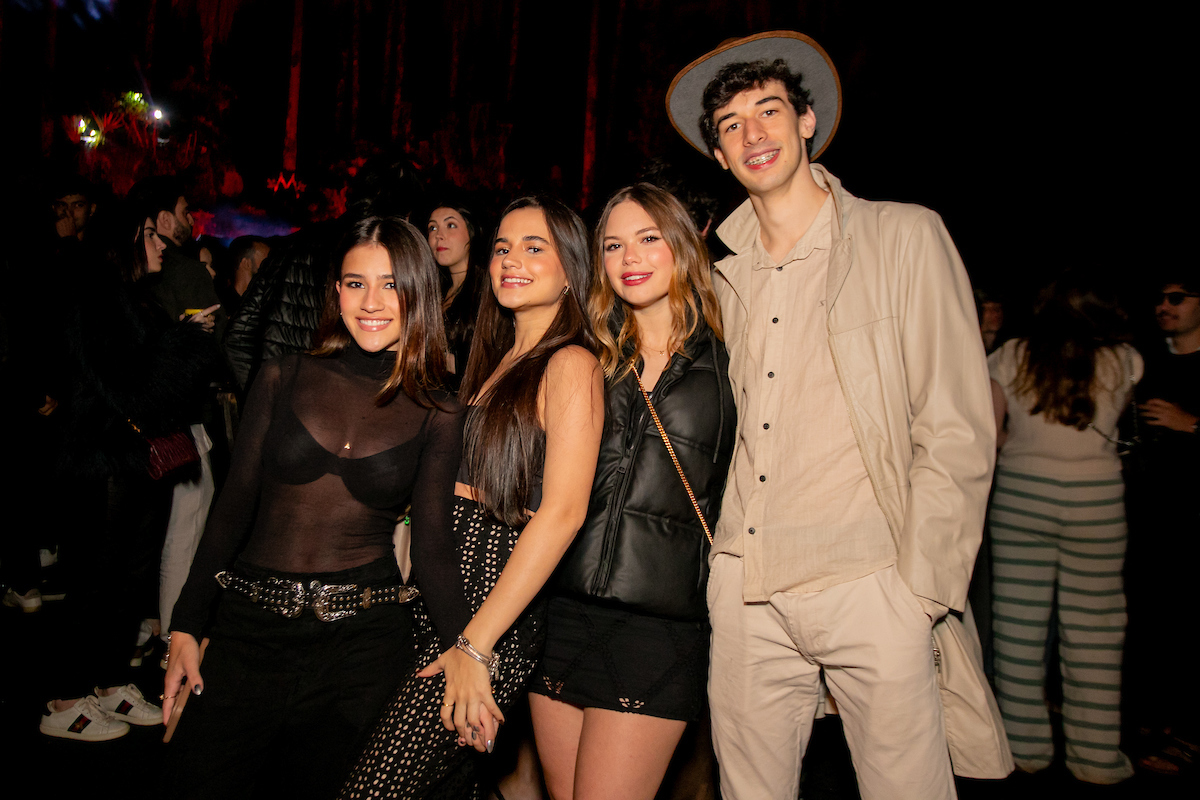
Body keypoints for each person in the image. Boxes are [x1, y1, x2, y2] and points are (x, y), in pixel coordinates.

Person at [665, 31, 1011, 799]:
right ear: (719, 157)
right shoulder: (716, 276)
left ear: (808, 121)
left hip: (872, 578)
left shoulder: (904, 236)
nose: (753, 134)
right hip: (746, 585)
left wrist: (921, 589)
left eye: (769, 111)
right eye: (731, 126)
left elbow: (956, 424)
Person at [162, 215, 465, 800]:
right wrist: (185, 622)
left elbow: (432, 549)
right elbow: (232, 508)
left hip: (361, 646)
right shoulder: (284, 375)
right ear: (336, 291)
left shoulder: (440, 412)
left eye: (391, 284)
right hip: (250, 630)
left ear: (419, 293)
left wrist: (466, 651)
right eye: (355, 283)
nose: (371, 302)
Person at [342, 196, 604, 799]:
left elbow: (562, 513)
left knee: (376, 788)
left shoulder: (572, 363)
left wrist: (474, 643)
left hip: (491, 614)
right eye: (503, 248)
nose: (512, 260)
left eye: (535, 248)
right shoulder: (498, 360)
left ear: (571, 268)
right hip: (444, 604)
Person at [528, 183, 735, 800]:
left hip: (660, 627)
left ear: (682, 246)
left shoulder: (737, 360)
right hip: (560, 614)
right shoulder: (585, 357)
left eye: (649, 239)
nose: (630, 257)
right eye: (613, 244)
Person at [38, 208, 217, 741]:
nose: (161, 244)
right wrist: (186, 341)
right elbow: (131, 379)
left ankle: (107, 682)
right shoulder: (97, 292)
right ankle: (65, 699)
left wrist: (177, 335)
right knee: (97, 577)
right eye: (150, 234)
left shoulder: (129, 293)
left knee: (129, 577)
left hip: (131, 456)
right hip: (103, 456)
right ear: (126, 237)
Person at [988, 276, 1140, 784]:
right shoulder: (1125, 359)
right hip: (1097, 503)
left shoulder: (1011, 354)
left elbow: (989, 431)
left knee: (1017, 625)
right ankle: (1096, 759)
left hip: (1021, 498)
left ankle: (1025, 747)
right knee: (1096, 632)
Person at [1124, 270, 1200, 775]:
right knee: (1153, 622)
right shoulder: (1148, 362)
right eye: (1159, 299)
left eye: (1177, 298)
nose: (1164, 306)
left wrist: (1190, 424)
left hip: (1194, 521)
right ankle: (1155, 721)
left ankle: (1191, 736)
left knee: (1192, 625)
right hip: (1149, 517)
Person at [427, 202, 486, 387]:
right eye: (432, 227)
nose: (439, 235)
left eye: (450, 225)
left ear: (472, 232)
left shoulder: (487, 291)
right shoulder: (433, 291)